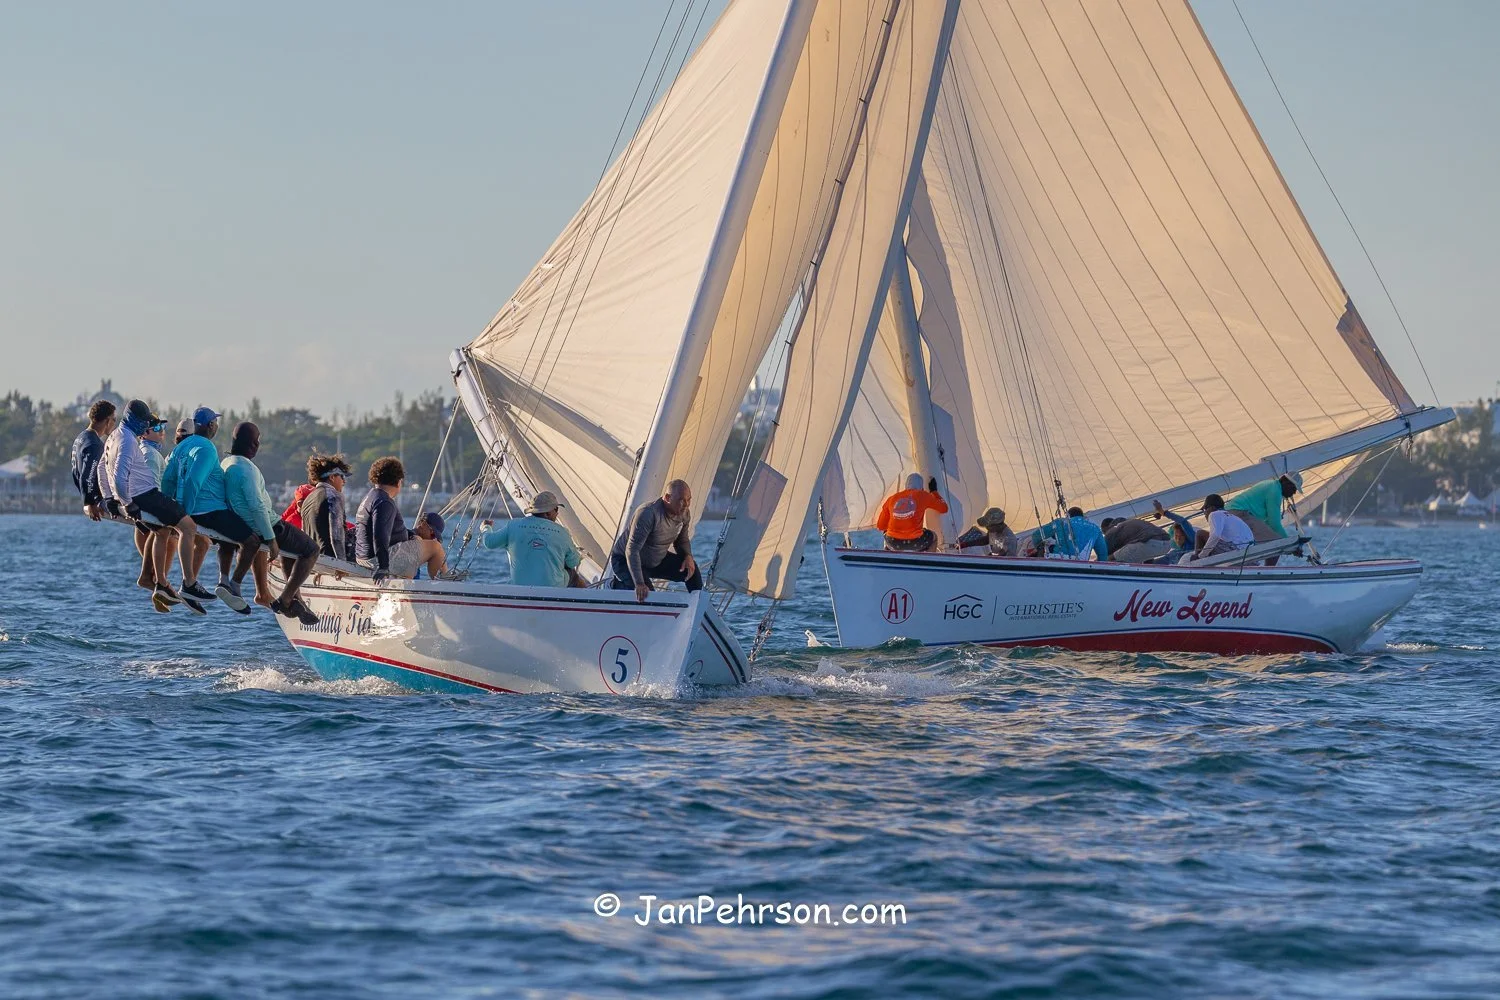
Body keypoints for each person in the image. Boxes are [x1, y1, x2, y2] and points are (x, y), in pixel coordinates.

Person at [100, 399, 210, 612]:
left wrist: (109, 497)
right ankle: (189, 584)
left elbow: (101, 468)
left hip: (137, 495)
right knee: (188, 527)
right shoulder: (128, 440)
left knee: (161, 530)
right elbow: (119, 475)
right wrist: (127, 503)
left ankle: (161, 583)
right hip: (144, 495)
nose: (145, 425)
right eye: (143, 421)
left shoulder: (114, 436)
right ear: (133, 419)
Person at [161, 407, 261, 615]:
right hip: (209, 511)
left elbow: (168, 479)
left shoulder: (182, 446)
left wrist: (170, 507)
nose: (216, 427)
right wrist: (185, 514)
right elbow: (193, 481)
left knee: (227, 539)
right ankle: (234, 586)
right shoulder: (206, 448)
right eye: (215, 423)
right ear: (210, 425)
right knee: (252, 541)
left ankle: (219, 581)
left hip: (196, 509)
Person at [221, 421, 320, 624]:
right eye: (257, 440)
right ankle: (285, 599)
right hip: (268, 525)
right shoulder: (247, 469)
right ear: (254, 444)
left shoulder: (226, 464)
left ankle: (296, 599)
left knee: (291, 551)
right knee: (311, 550)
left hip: (245, 525)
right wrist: (271, 538)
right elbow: (257, 506)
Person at [355, 457, 447, 580]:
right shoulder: (384, 502)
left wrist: (411, 536)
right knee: (436, 547)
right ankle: (446, 585)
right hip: (376, 560)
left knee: (415, 548)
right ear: (399, 481)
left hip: (364, 557)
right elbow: (380, 535)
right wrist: (383, 567)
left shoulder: (371, 496)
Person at [610, 479, 700, 601]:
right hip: (625, 560)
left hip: (656, 560)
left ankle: (699, 606)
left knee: (692, 569)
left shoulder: (684, 513)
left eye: (688, 500)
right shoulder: (648, 513)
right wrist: (639, 583)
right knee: (649, 596)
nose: (686, 505)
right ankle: (617, 585)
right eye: (681, 500)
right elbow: (631, 550)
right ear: (667, 498)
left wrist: (688, 556)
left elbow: (682, 540)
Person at [480, 490, 586, 588]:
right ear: (548, 513)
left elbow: (489, 542)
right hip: (552, 589)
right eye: (556, 509)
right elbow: (573, 563)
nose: (557, 513)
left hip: (519, 588)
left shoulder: (513, 525)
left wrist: (486, 527)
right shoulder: (562, 532)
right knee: (573, 575)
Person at [299, 454, 353, 561]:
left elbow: (304, 534)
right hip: (330, 560)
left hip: (314, 559)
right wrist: (342, 563)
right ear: (332, 477)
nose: (344, 481)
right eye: (342, 476)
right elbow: (336, 536)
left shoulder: (308, 499)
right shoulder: (334, 496)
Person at [876, 473, 949, 552]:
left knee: (887, 533)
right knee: (934, 537)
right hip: (916, 541)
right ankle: (927, 558)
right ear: (922, 488)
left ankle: (890, 557)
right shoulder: (924, 495)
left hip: (893, 542)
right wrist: (934, 491)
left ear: (906, 487)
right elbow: (944, 508)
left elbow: (880, 526)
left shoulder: (892, 498)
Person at [71, 399, 116, 520]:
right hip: (98, 499)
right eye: (114, 419)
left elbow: (76, 473)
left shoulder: (80, 438)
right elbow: (87, 476)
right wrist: (90, 502)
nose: (114, 424)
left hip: (90, 495)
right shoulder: (94, 444)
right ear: (107, 420)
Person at [1183, 493, 1255, 563]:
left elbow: (1215, 536)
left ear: (1212, 507)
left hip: (1236, 550)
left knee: (1200, 533)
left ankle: (1196, 563)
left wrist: (1201, 556)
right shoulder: (1231, 516)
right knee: (1210, 542)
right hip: (1248, 551)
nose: (1204, 514)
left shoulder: (1214, 514)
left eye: (1204, 509)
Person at [1030, 506, 1109, 561]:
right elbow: (1103, 554)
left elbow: (1036, 536)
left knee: (1044, 547)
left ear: (1068, 516)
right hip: (1081, 565)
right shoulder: (1095, 528)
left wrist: (1038, 548)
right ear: (1083, 516)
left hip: (1057, 560)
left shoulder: (1061, 522)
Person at [1103, 513, 1173, 563]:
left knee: (1109, 559)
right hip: (1167, 544)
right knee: (1129, 553)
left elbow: (1103, 553)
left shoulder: (1112, 531)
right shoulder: (1134, 523)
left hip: (1149, 543)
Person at [953, 507, 1021, 556]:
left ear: (996, 525)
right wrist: (965, 544)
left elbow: (1005, 560)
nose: (987, 528)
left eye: (988, 526)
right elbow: (986, 540)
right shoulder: (994, 530)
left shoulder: (1009, 540)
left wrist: (991, 557)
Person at [1146, 500, 1196, 565]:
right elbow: (1155, 563)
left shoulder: (1193, 543)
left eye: (1181, 536)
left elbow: (1183, 522)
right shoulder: (1173, 553)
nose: (1178, 539)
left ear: (1186, 536)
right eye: (1176, 536)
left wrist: (1163, 512)